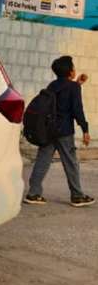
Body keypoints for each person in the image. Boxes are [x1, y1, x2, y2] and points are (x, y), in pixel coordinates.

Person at [24, 56, 93, 207]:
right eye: (73, 67)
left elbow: (61, 98)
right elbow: (77, 110)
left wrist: (77, 84)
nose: (75, 69)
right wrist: (85, 130)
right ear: (70, 72)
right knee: (71, 163)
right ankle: (77, 196)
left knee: (42, 161)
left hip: (49, 131)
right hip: (64, 132)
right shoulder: (73, 88)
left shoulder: (52, 85)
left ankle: (33, 194)